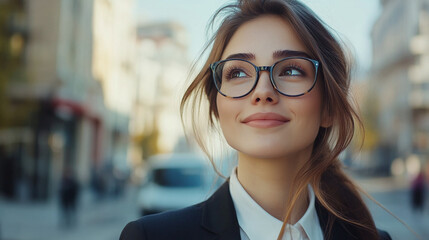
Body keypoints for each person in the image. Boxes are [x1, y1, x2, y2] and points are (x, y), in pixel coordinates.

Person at [121, 0, 391, 239]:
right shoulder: (150, 236)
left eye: (292, 70)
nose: (263, 92)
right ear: (217, 107)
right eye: (238, 73)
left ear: (328, 107)